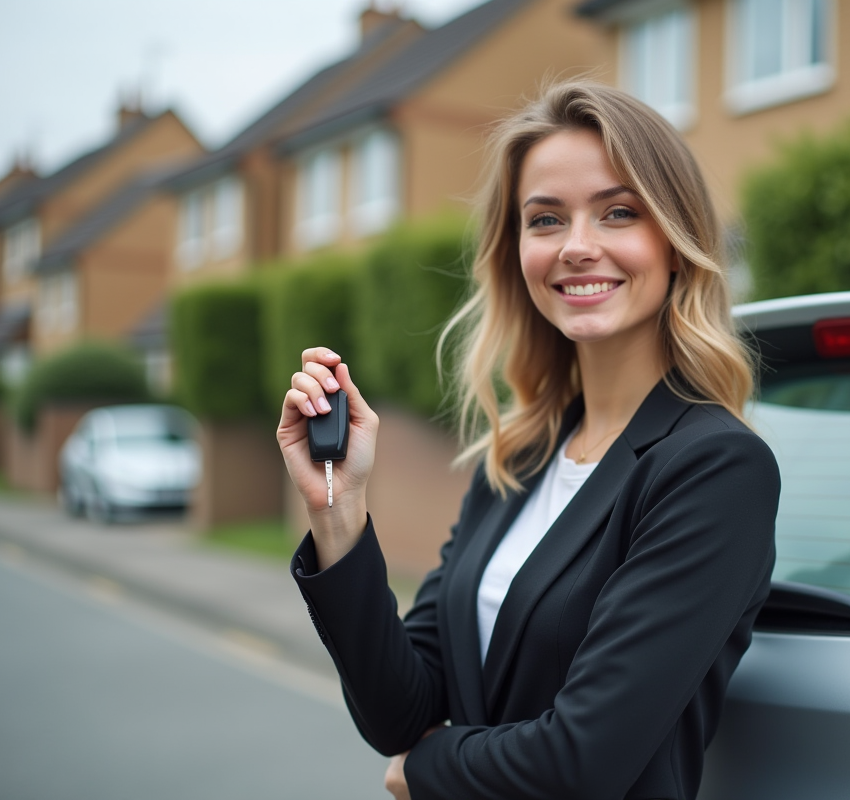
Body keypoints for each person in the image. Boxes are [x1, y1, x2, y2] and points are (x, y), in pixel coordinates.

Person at [277, 80, 780, 800]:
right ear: (516, 252)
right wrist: (338, 509)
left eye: (617, 212)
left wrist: (425, 771)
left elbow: (583, 762)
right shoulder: (521, 457)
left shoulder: (712, 467)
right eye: (545, 220)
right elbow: (403, 710)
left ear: (675, 241)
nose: (577, 247)